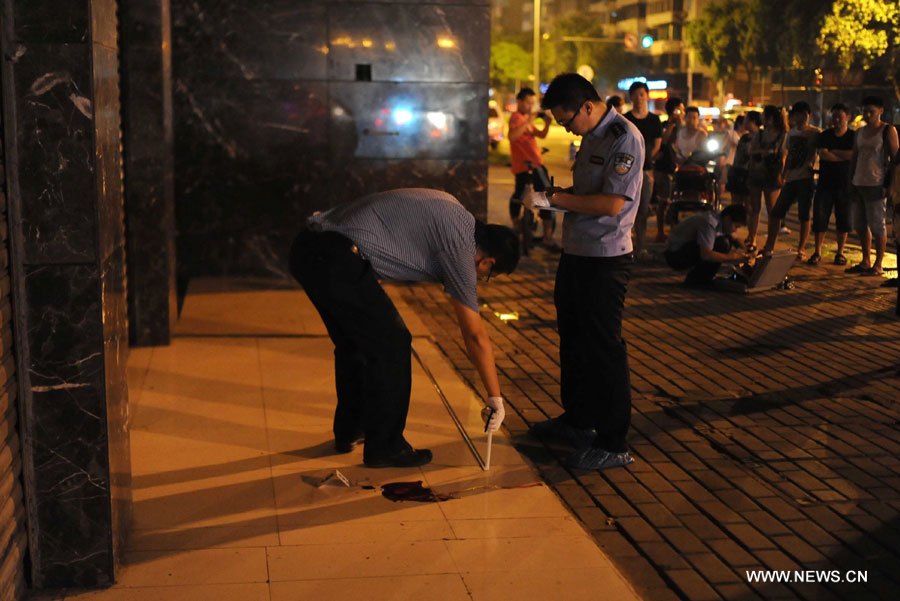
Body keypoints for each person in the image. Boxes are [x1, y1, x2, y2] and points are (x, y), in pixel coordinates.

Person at [290, 189, 518, 468]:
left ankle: (351, 429)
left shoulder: (455, 211)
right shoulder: (462, 250)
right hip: (338, 259)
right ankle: (386, 447)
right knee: (394, 343)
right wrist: (495, 397)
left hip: (310, 248)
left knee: (356, 343)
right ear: (488, 262)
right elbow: (474, 334)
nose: (480, 278)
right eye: (488, 276)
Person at [530, 73, 644, 470]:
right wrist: (554, 196)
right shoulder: (592, 136)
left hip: (606, 258)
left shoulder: (623, 137)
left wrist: (554, 199)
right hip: (576, 252)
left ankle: (613, 441)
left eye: (567, 121)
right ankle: (578, 421)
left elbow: (612, 204)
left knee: (603, 348)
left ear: (588, 107)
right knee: (573, 341)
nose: (565, 128)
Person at [761, 101, 821, 259]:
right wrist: (784, 174)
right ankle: (770, 246)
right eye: (797, 114)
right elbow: (788, 156)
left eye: (804, 114)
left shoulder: (815, 133)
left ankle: (801, 249)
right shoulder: (792, 133)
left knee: (804, 215)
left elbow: (821, 152)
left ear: (809, 115)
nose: (801, 117)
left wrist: (813, 166)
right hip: (791, 178)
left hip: (806, 179)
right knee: (776, 212)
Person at [847, 95, 898, 276]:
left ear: (881, 111)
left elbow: (894, 160)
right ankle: (865, 260)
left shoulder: (887, 130)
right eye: (865, 112)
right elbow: (855, 156)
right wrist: (851, 179)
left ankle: (878, 263)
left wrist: (891, 185)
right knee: (860, 224)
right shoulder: (860, 132)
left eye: (872, 112)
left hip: (876, 183)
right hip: (859, 181)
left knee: (877, 226)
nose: (868, 115)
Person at [507, 87, 556, 248]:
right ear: (519, 101)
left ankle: (547, 235)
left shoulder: (526, 119)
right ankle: (517, 227)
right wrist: (529, 120)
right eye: (528, 102)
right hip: (525, 166)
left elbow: (541, 135)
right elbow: (512, 136)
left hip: (536, 163)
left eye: (533, 103)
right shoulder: (516, 118)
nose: (530, 106)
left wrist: (547, 124)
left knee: (545, 196)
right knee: (521, 196)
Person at [810, 103, 855, 266]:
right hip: (825, 183)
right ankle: (817, 251)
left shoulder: (852, 136)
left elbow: (852, 155)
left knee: (844, 220)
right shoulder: (825, 135)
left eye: (840, 116)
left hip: (845, 184)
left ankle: (840, 252)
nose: (836, 119)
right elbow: (823, 155)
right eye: (834, 116)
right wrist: (842, 156)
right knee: (820, 218)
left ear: (848, 117)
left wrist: (833, 151)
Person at [664, 204, 750, 286]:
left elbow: (736, 239)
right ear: (728, 219)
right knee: (723, 244)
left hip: (684, 249)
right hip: (674, 255)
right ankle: (697, 279)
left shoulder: (721, 219)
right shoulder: (709, 222)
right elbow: (706, 255)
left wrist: (747, 251)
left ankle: (701, 278)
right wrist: (732, 257)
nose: (735, 230)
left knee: (726, 241)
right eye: (736, 226)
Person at [624, 81, 663, 258]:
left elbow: (657, 144)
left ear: (646, 96)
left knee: (643, 208)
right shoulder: (626, 119)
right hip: (627, 171)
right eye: (636, 94)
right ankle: (626, 246)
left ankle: (640, 246)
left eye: (642, 94)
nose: (639, 98)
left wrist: (644, 158)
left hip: (646, 171)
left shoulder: (654, 120)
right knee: (625, 207)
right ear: (631, 97)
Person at [746, 105, 788, 252]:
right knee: (754, 208)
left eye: (765, 115)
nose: (763, 118)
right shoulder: (761, 133)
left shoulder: (783, 134)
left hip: (772, 175)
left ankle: (770, 244)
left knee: (773, 211)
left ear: (772, 118)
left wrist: (782, 175)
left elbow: (783, 156)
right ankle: (752, 239)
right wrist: (768, 151)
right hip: (757, 173)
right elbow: (752, 150)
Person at [654, 97, 685, 241]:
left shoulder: (685, 129)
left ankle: (675, 232)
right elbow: (663, 141)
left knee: (678, 202)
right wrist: (672, 123)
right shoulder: (665, 125)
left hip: (682, 170)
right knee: (663, 201)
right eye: (680, 109)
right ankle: (660, 232)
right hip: (664, 167)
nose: (682, 112)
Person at [727, 113, 760, 212]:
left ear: (752, 121)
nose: (744, 122)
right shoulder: (744, 137)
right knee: (736, 204)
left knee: (750, 206)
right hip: (737, 172)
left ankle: (751, 227)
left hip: (750, 174)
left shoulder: (760, 137)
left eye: (746, 119)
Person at [717, 117, 742, 202]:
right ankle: (720, 198)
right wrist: (721, 159)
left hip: (738, 164)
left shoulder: (747, 134)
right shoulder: (731, 133)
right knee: (723, 179)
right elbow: (722, 147)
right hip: (728, 161)